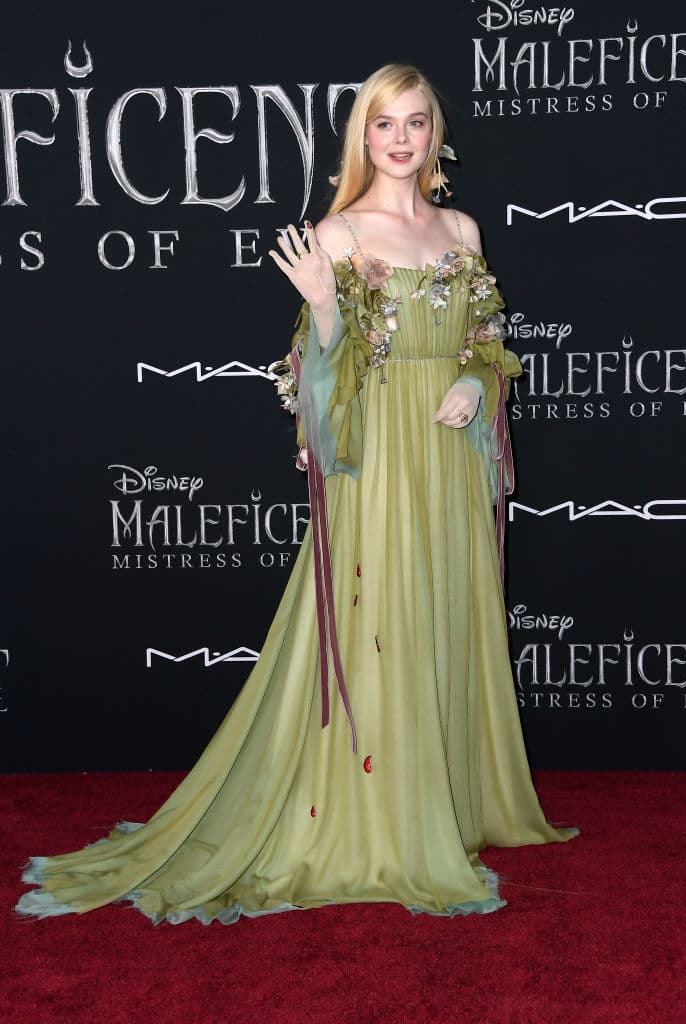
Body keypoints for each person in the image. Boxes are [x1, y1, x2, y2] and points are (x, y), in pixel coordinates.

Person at [16, 63, 578, 926]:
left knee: (444, 610)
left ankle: (450, 801)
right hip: (378, 455)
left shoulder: (461, 228)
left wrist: (474, 379)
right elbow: (321, 372)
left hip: (449, 454)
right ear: (363, 136)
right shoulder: (338, 234)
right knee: (380, 617)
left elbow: (485, 338)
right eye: (384, 123)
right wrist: (321, 306)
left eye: (416, 122)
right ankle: (382, 821)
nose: (401, 139)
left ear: (436, 133)